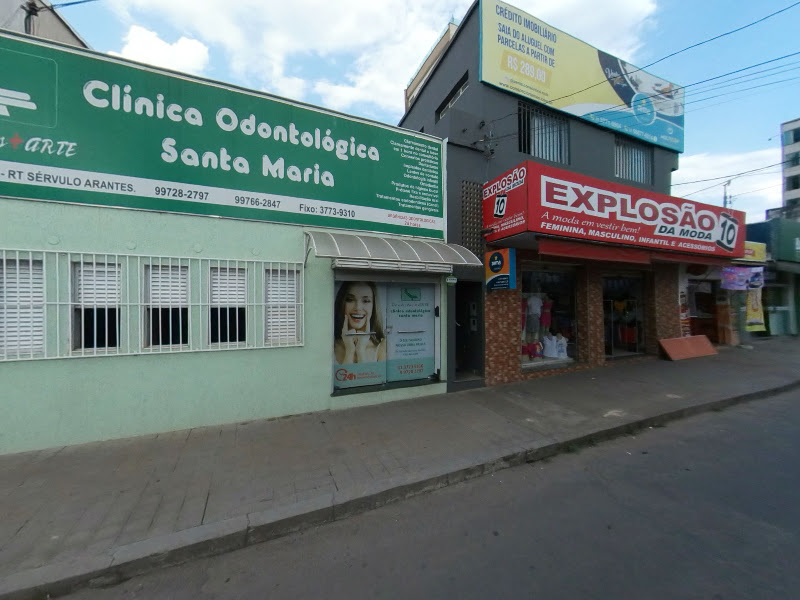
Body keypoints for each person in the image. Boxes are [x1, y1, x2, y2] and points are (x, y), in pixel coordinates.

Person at [334, 281, 386, 364]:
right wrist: (350, 350)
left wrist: (360, 350)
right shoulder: (330, 345)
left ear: (373, 306)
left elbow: (365, 376)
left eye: (365, 301)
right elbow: (345, 376)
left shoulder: (382, 346)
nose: (357, 308)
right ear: (342, 303)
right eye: (350, 300)